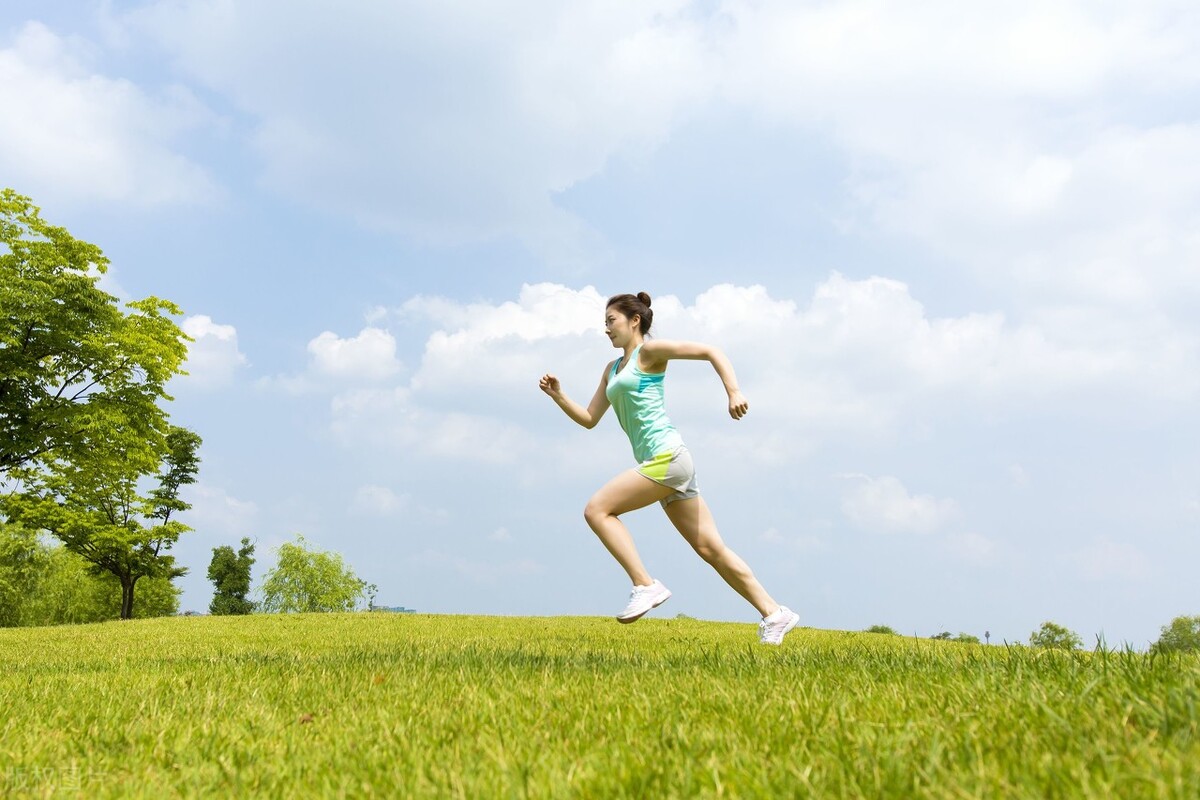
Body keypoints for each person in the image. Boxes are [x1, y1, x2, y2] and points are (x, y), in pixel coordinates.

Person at [539, 292, 800, 645]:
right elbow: (589, 419)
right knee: (710, 548)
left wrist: (733, 392)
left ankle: (645, 584)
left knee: (598, 509)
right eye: (604, 323)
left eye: (610, 321)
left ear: (634, 321)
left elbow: (712, 351)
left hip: (668, 457)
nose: (606, 329)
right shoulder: (612, 369)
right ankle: (774, 612)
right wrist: (559, 396)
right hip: (664, 464)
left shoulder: (649, 353)